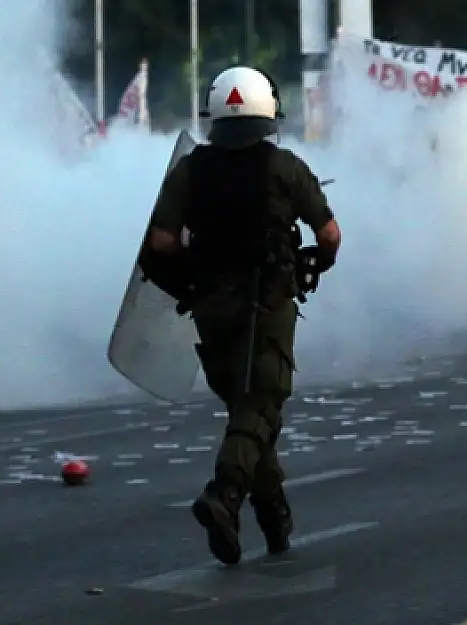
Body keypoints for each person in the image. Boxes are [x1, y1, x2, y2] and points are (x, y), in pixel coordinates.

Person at [144, 66, 342, 565]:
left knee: (247, 411)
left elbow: (161, 242)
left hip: (210, 307)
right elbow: (330, 234)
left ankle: (274, 518)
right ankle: (225, 495)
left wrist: (196, 262)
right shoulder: (285, 168)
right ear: (268, 112)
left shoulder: (190, 170)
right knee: (262, 403)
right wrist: (316, 260)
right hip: (268, 303)